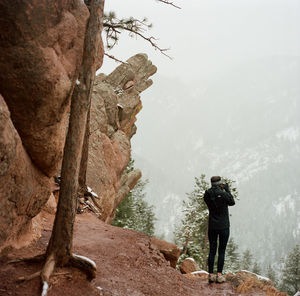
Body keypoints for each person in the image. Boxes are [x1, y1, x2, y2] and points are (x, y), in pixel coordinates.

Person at [204, 176, 235, 283]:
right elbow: (232, 202)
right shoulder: (224, 194)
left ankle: (211, 274)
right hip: (224, 226)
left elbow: (209, 202)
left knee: (212, 250)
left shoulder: (207, 194)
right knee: (221, 250)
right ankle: (219, 275)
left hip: (212, 225)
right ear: (219, 183)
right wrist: (227, 189)